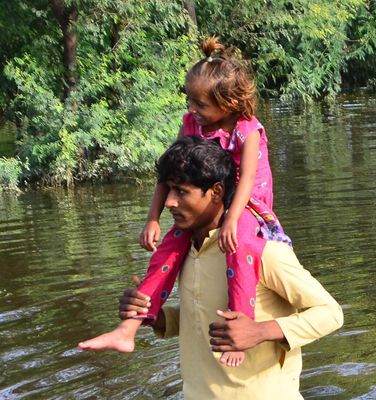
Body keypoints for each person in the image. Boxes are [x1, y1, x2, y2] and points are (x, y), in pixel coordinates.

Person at [79, 37, 288, 367]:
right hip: (208, 205)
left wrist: (232, 219)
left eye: (200, 105)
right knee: (168, 249)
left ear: (230, 103)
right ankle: (128, 328)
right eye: (190, 101)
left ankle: (239, 329)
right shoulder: (192, 123)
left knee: (241, 246)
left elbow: (246, 179)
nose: (192, 110)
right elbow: (170, 170)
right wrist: (152, 217)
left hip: (245, 205)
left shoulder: (248, 129)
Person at [89, 137, 342, 398]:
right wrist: (153, 316)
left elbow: (331, 313)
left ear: (216, 192)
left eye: (181, 192)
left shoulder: (263, 251)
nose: (169, 202)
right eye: (169, 190)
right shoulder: (184, 251)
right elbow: (201, 311)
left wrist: (261, 331)